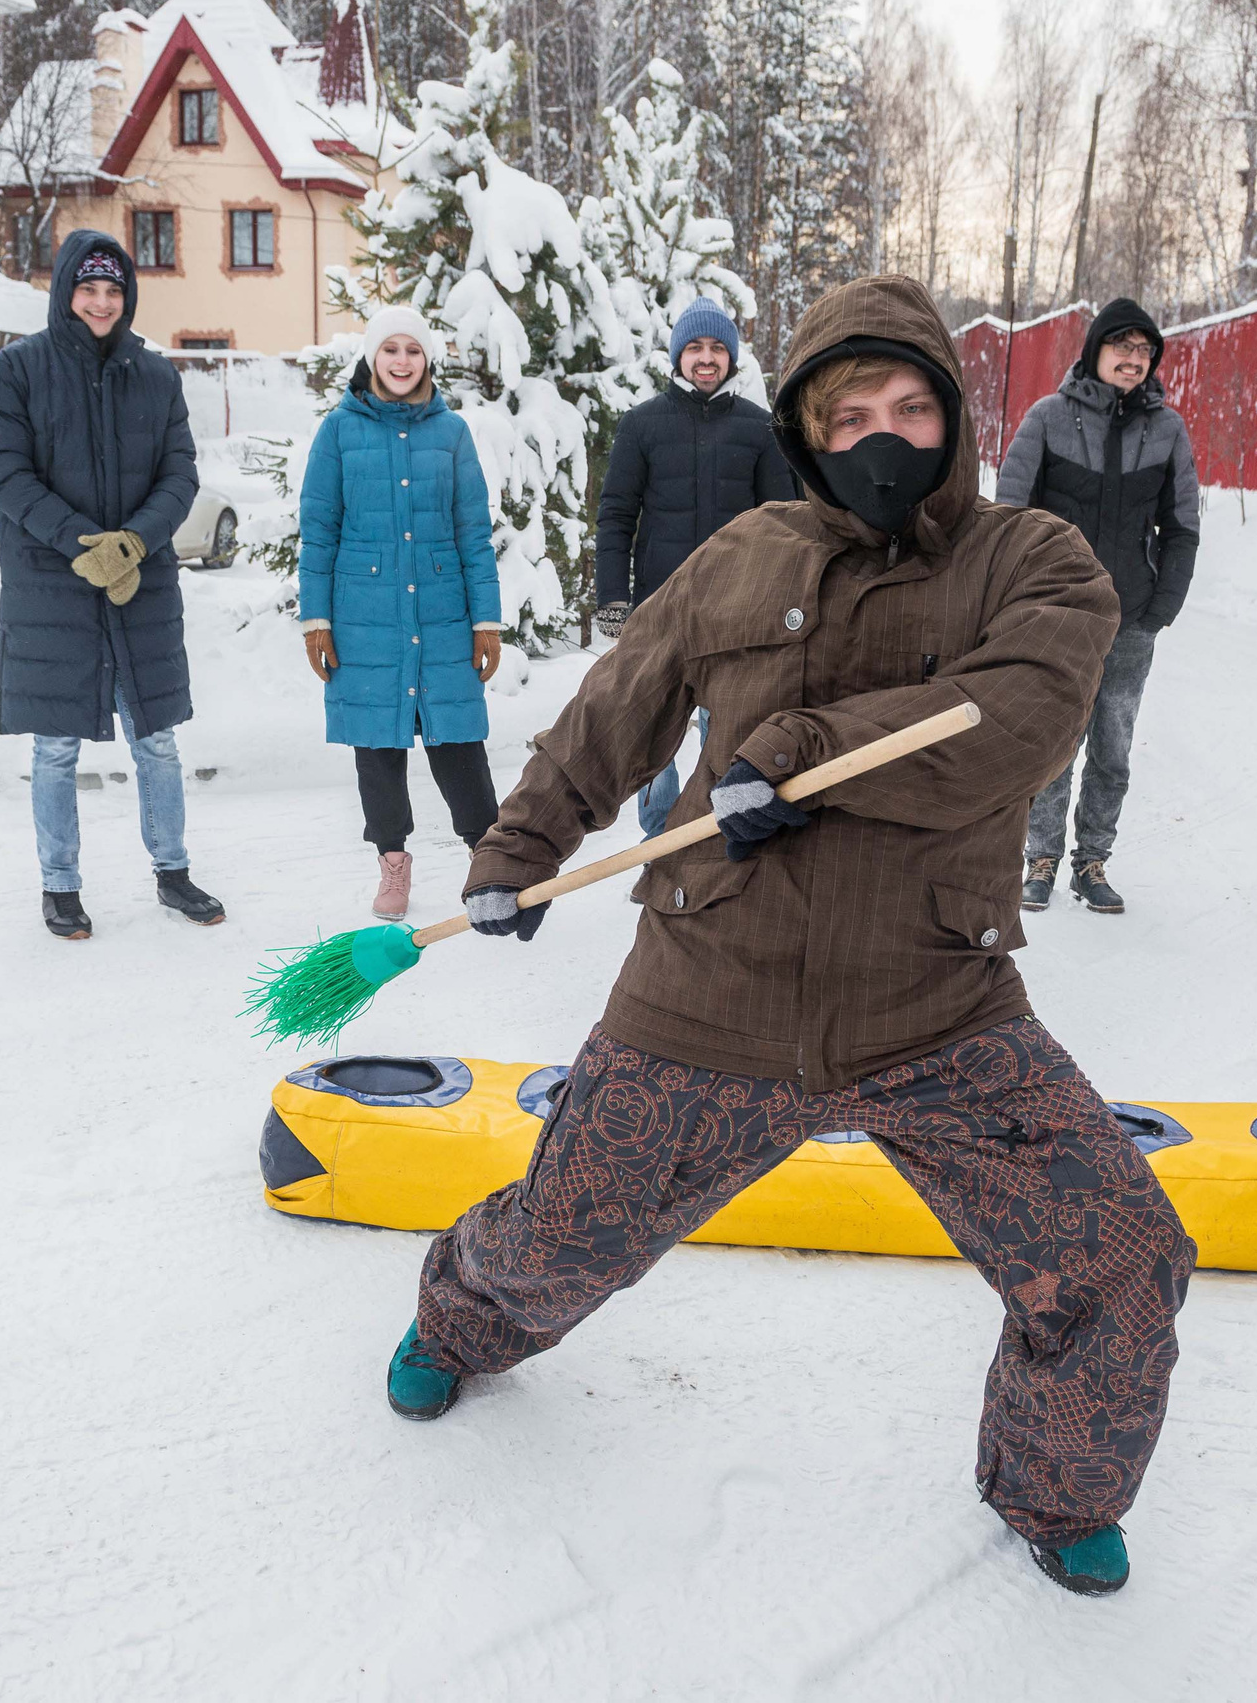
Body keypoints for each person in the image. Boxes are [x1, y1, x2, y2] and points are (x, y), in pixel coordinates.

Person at [379, 274, 1197, 1599]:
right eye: (850, 410)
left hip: (938, 1002)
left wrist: (807, 750)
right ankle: (456, 1320)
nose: (882, 436)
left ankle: (1057, 1485)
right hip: (713, 988)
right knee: (557, 1237)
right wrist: (524, 846)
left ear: (953, 421)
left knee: (1120, 1256)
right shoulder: (745, 552)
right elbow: (620, 702)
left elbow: (1017, 716)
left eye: (911, 408)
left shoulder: (1030, 561)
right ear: (808, 429)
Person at [0, 229, 225, 939]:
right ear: (65, 291)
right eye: (88, 288)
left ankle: (172, 873)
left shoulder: (155, 375)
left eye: (113, 290)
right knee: (56, 747)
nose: (101, 301)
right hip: (52, 588)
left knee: (157, 739)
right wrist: (85, 545)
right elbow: (6, 474)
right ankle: (60, 886)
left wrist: (134, 543)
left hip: (139, 587)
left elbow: (180, 472)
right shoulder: (15, 372)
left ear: (128, 296)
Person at [298, 307, 506, 922]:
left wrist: (485, 620)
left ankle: (489, 857)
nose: (400, 362)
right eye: (389, 350)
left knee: (459, 741)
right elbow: (319, 530)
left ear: (427, 360)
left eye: (412, 351)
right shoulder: (338, 432)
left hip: (442, 611)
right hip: (364, 614)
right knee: (379, 745)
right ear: (371, 357)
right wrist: (317, 620)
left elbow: (473, 532)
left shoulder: (452, 434)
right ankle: (392, 860)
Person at [996, 298, 1199, 916]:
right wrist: (1019, 599)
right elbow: (1009, 514)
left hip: (1131, 618)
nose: (1134, 361)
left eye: (1145, 352)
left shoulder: (1166, 430)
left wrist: (1160, 607)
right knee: (1057, 737)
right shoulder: (1048, 418)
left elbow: (1183, 524)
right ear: (1095, 351)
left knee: (1112, 744)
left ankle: (1092, 861)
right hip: (1058, 616)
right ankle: (1041, 857)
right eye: (1123, 348)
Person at [594, 296, 797, 839]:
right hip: (660, 607)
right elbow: (616, 514)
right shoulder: (641, 426)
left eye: (716, 348)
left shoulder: (760, 429)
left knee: (725, 727)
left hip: (739, 608)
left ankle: (713, 831)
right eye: (694, 348)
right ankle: (659, 837)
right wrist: (613, 596)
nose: (705, 358)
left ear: (731, 358)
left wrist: (781, 595)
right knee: (653, 726)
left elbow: (787, 524)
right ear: (677, 356)